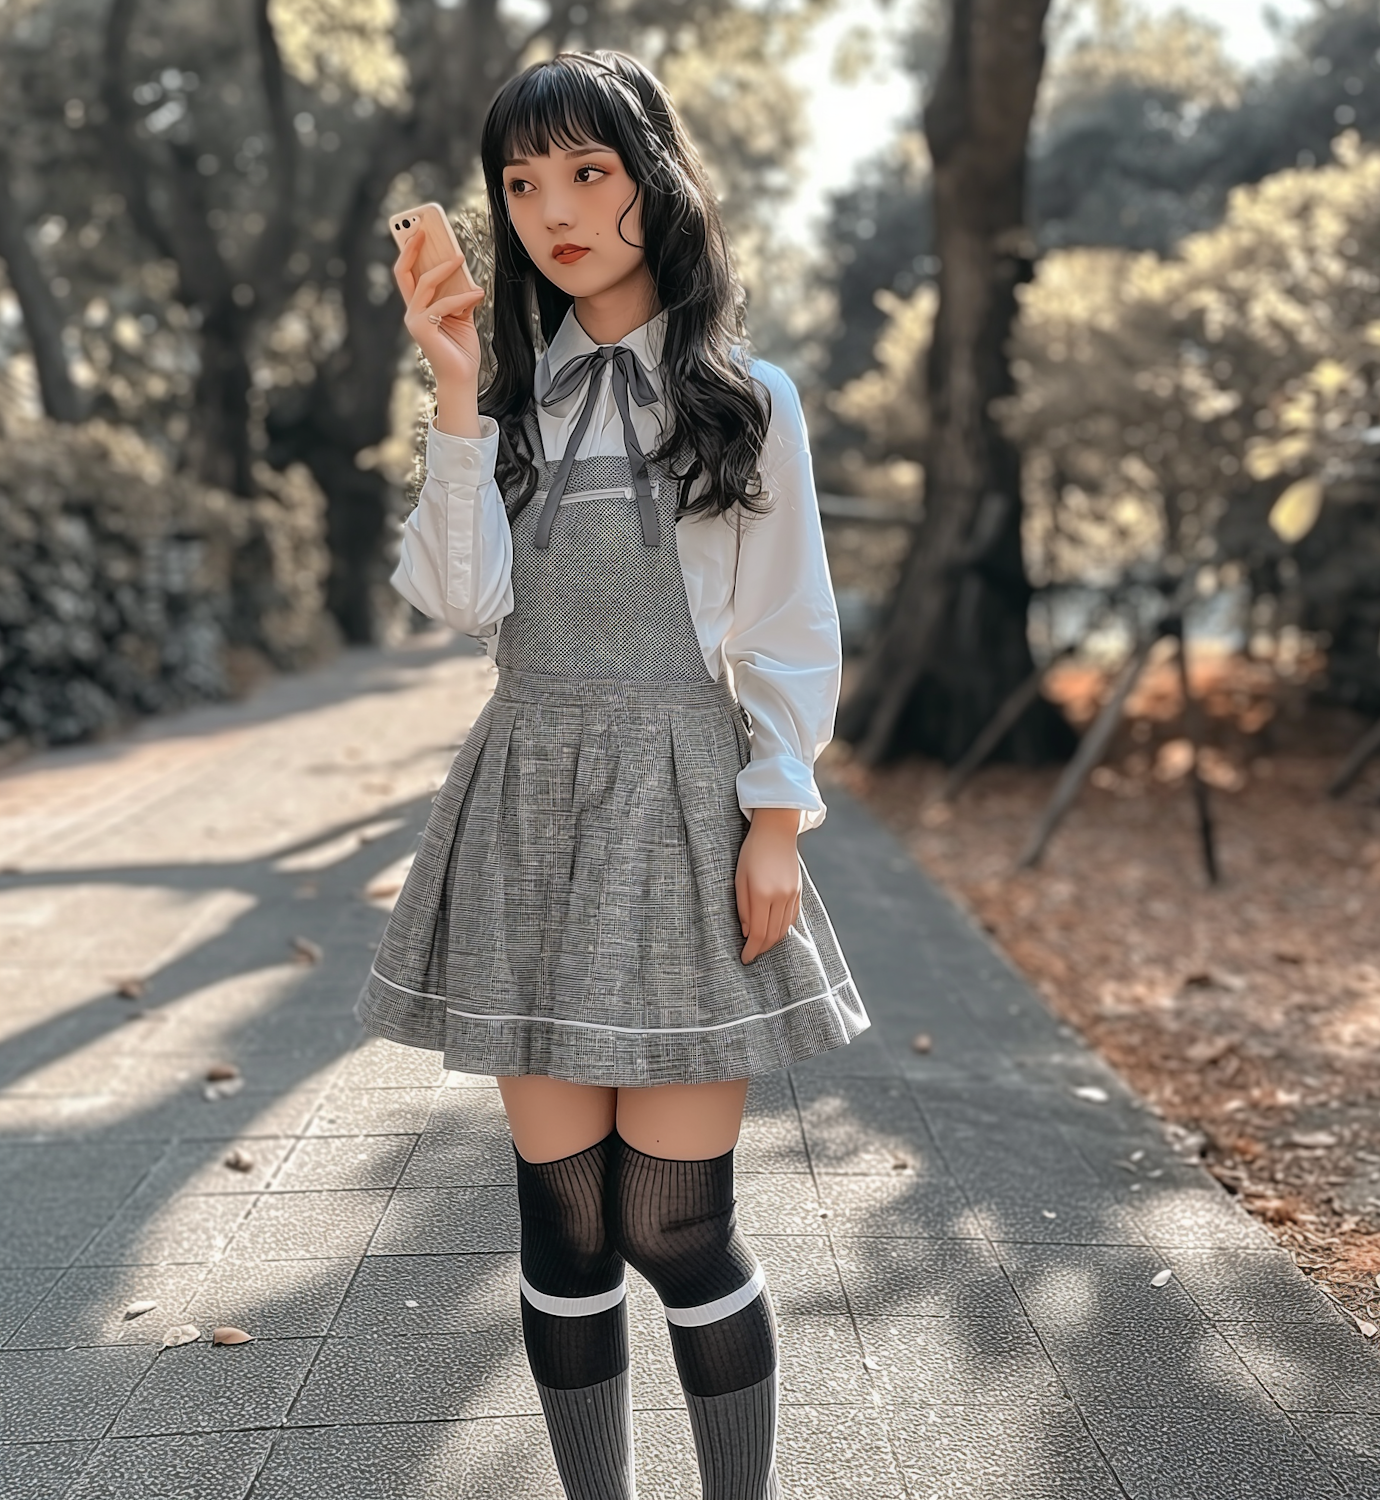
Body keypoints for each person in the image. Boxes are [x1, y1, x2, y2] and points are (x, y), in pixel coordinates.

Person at [355, 48, 871, 1500]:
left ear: (658, 182)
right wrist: (455, 391)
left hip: (681, 798)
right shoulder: (510, 408)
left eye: (588, 171)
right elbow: (457, 598)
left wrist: (778, 817)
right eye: (522, 184)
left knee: (675, 1226)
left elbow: (786, 623)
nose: (554, 210)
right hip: (526, 800)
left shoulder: (744, 399)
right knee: (562, 1225)